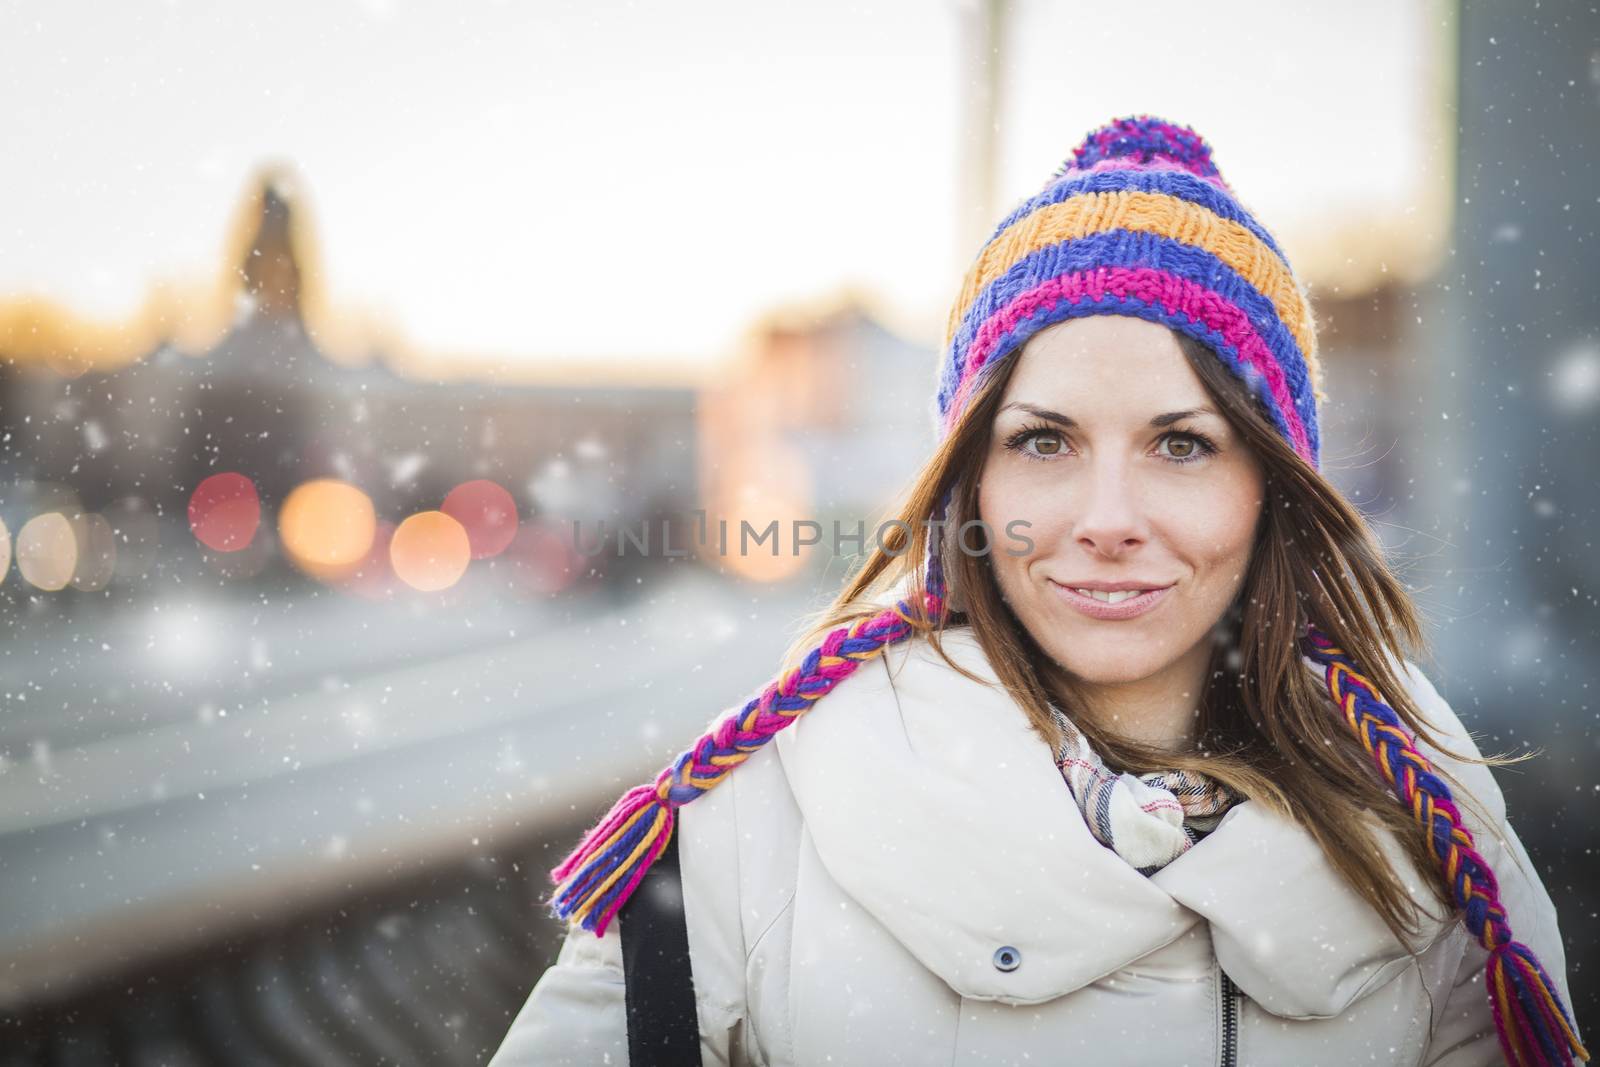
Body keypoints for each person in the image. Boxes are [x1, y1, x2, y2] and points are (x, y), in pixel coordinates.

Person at [488, 116, 1587, 1066]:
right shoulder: (747, 830)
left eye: (1182, 443)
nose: (1106, 517)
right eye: (1045, 440)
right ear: (968, 475)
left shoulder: (1431, 834)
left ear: (1273, 487)